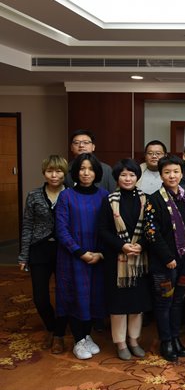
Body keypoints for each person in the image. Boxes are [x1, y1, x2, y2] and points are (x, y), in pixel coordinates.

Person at [143, 155, 185, 362]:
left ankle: (175, 337)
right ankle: (165, 340)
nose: (172, 176)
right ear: (161, 175)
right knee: (164, 302)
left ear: (182, 174)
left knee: (178, 301)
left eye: (175, 172)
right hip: (165, 262)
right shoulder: (154, 199)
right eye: (167, 172)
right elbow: (151, 233)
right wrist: (167, 257)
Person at [55, 153, 110, 360]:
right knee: (76, 295)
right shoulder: (66, 196)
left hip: (97, 255)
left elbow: (109, 227)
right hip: (73, 256)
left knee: (94, 296)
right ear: (76, 172)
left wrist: (100, 253)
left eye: (90, 169)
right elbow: (61, 229)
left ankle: (87, 335)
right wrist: (80, 252)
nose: (86, 173)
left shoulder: (104, 195)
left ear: (97, 172)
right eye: (82, 169)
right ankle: (78, 339)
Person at [98, 159, 152, 360]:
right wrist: (122, 246)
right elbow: (102, 230)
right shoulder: (109, 200)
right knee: (119, 305)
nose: (128, 178)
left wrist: (141, 245)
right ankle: (120, 343)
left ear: (137, 177)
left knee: (137, 304)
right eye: (123, 175)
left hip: (139, 259)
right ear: (117, 178)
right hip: (116, 259)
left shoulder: (146, 199)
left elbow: (151, 228)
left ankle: (134, 341)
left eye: (131, 175)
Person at [19, 155, 69, 353]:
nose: (54, 175)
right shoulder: (33, 195)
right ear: (44, 173)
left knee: (64, 294)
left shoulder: (71, 194)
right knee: (40, 297)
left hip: (64, 249)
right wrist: (23, 255)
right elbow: (27, 225)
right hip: (39, 249)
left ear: (64, 173)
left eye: (58, 171)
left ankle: (58, 335)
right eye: (50, 171)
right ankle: (52, 327)